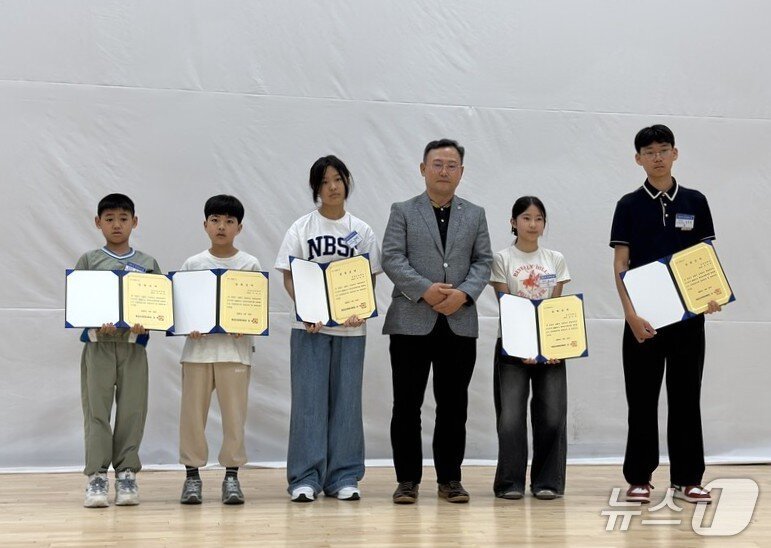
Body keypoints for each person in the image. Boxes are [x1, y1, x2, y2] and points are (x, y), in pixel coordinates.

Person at [610, 124, 721, 504]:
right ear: (638, 159)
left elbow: (705, 259)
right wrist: (630, 316)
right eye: (649, 152)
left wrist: (711, 295)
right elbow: (621, 263)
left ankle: (688, 478)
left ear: (675, 153)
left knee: (686, 397)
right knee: (641, 399)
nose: (656, 157)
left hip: (689, 320)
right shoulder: (628, 205)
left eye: (663, 149)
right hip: (644, 321)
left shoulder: (695, 201)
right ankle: (639, 477)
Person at [382, 138, 492, 504]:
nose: (444, 171)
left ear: (461, 171)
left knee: (453, 406)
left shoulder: (474, 214)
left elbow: (483, 261)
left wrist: (463, 294)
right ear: (423, 168)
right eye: (437, 164)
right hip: (411, 321)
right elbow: (392, 258)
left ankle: (450, 479)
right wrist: (425, 290)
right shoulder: (402, 210)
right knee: (407, 405)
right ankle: (407, 480)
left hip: (458, 321)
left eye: (451, 165)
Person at [274, 155, 382, 502]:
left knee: (347, 404)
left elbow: (370, 277)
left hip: (351, 331)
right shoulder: (301, 228)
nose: (332, 187)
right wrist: (306, 311)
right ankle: (304, 477)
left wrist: (359, 309)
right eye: (324, 182)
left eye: (337, 179)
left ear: (347, 182)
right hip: (309, 329)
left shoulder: (361, 230)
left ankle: (344, 476)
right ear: (315, 189)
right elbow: (289, 275)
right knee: (309, 403)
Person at [74, 193, 160, 508]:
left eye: (123, 218)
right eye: (109, 219)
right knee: (96, 411)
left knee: (132, 411)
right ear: (98, 223)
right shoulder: (89, 260)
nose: (117, 225)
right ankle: (96, 476)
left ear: (134, 222)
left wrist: (145, 322)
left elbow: (158, 308)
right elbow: (79, 305)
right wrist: (96, 322)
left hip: (133, 349)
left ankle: (126, 474)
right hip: (98, 348)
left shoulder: (148, 263)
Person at [178, 195, 262, 505]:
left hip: (234, 352)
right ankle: (191, 478)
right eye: (215, 220)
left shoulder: (249, 264)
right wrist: (190, 324)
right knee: (191, 417)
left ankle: (231, 478)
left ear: (239, 227)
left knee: (234, 418)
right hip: (198, 352)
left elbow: (255, 311)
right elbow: (183, 310)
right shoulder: (193, 264)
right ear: (205, 225)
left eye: (228, 221)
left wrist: (247, 324)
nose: (221, 226)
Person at [490, 196, 570, 501]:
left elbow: (554, 306)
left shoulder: (555, 259)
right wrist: (523, 343)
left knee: (552, 415)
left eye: (538, 219)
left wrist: (548, 344)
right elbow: (505, 305)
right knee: (510, 417)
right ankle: (509, 482)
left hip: (550, 347)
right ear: (513, 222)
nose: (532, 224)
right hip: (512, 345)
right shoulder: (502, 259)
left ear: (544, 224)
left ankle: (547, 481)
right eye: (525, 218)